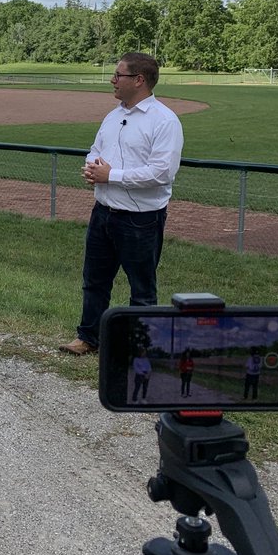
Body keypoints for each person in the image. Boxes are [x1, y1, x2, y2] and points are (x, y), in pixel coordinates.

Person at [60, 53, 184, 356]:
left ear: (138, 80)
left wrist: (111, 175)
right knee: (95, 281)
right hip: (103, 213)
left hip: (140, 219)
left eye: (119, 75)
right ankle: (88, 336)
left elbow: (161, 173)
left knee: (141, 290)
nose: (112, 80)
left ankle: (138, 348)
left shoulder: (164, 121)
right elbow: (95, 150)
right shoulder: (113, 115)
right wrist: (92, 168)